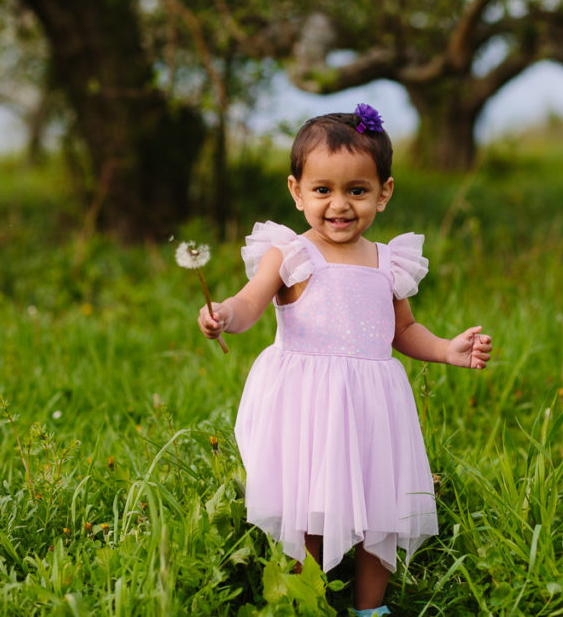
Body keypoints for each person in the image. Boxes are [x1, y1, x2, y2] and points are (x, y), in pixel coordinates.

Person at [198, 104, 492, 616]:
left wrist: (446, 349)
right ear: (296, 191)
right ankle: (306, 599)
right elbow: (250, 302)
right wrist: (224, 313)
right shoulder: (289, 254)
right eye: (322, 190)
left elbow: (404, 331)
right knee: (307, 510)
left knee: (381, 510)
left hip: (372, 405)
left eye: (357, 190)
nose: (340, 205)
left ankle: (369, 608)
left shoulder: (387, 262)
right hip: (306, 405)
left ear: (384, 192)